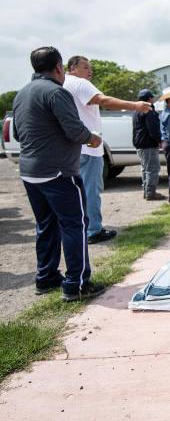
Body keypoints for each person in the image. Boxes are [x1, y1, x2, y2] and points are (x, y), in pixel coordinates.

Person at [11, 47, 105, 302]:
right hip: (59, 174)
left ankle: (46, 277)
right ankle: (77, 284)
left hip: (30, 173)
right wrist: (92, 138)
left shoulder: (22, 94)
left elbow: (18, 134)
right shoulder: (56, 92)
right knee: (75, 225)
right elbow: (75, 130)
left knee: (46, 226)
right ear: (59, 67)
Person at [63, 56, 152, 243]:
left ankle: (81, 228)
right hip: (89, 147)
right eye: (85, 67)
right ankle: (93, 230)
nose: (90, 71)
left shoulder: (63, 85)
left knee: (76, 192)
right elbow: (103, 100)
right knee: (91, 190)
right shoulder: (80, 84)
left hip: (73, 147)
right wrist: (135, 105)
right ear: (72, 68)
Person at [132, 89, 165, 201]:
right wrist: (159, 140)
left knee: (145, 169)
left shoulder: (136, 111)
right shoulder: (148, 111)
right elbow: (153, 129)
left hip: (139, 144)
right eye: (152, 97)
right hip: (148, 144)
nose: (154, 99)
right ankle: (151, 193)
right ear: (149, 99)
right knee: (152, 169)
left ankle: (146, 191)